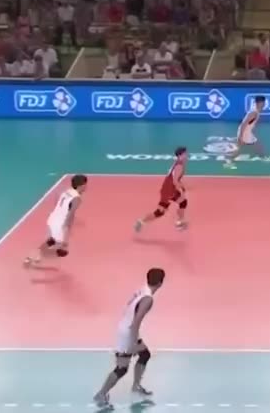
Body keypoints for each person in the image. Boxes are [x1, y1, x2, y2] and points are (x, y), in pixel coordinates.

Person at [93, 267, 165, 408]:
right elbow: (136, 321)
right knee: (122, 368)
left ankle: (136, 386)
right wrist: (133, 343)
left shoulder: (143, 289)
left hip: (128, 328)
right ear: (160, 283)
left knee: (145, 354)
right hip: (127, 332)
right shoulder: (148, 299)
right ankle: (101, 394)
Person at [24, 174, 88, 267]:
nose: (86, 187)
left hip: (53, 217)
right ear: (80, 186)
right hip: (59, 223)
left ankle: (33, 257)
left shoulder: (67, 191)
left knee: (51, 241)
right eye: (85, 185)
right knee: (60, 246)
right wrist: (66, 231)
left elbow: (59, 202)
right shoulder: (77, 199)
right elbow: (70, 215)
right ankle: (33, 258)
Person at [135, 147, 189, 232]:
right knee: (163, 211)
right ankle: (179, 223)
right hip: (169, 190)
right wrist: (181, 190)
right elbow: (175, 181)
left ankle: (141, 222)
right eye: (185, 154)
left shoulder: (178, 163)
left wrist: (181, 186)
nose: (187, 155)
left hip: (167, 189)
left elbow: (175, 179)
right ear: (180, 155)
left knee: (163, 211)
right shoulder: (179, 166)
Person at [224, 96, 266, 169]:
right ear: (259, 103)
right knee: (240, 149)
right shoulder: (253, 112)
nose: (264, 104)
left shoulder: (256, 111)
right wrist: (241, 136)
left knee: (257, 145)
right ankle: (228, 160)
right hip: (245, 133)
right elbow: (244, 123)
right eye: (262, 103)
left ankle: (263, 157)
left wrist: (252, 129)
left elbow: (251, 123)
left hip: (248, 132)